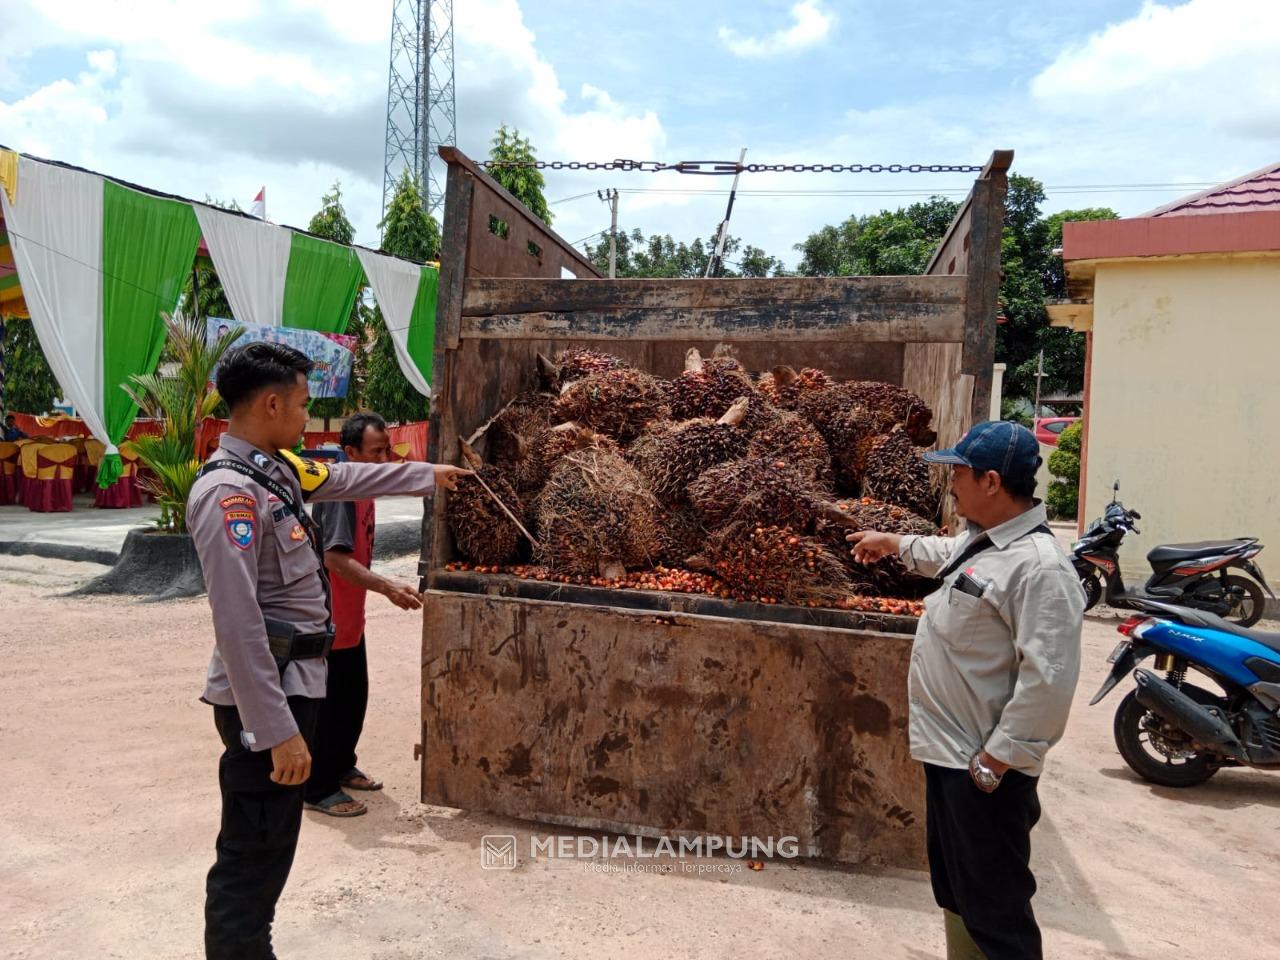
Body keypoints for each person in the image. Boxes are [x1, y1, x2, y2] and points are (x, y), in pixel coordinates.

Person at [188, 342, 471, 959]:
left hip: (299, 685)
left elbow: (345, 475)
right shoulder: (229, 494)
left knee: (272, 849)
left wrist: (428, 475)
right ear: (269, 403)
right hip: (267, 705)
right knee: (250, 857)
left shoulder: (277, 470)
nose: (304, 416)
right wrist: (274, 731)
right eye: (299, 404)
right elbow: (238, 626)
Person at [847, 420, 1084, 960]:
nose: (951, 482)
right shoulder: (987, 541)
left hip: (985, 771)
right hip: (951, 756)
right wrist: (896, 544)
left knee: (998, 911)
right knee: (958, 889)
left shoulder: (1041, 570)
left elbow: (1048, 683)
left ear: (992, 482)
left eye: (959, 472)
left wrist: (996, 762)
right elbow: (949, 555)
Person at [302, 412, 420, 817]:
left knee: (352, 698)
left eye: (387, 449)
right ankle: (317, 788)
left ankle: (341, 765)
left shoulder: (364, 489)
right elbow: (335, 559)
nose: (385, 460)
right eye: (375, 452)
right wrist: (387, 586)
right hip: (328, 618)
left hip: (352, 619)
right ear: (349, 453)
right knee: (330, 704)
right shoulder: (340, 492)